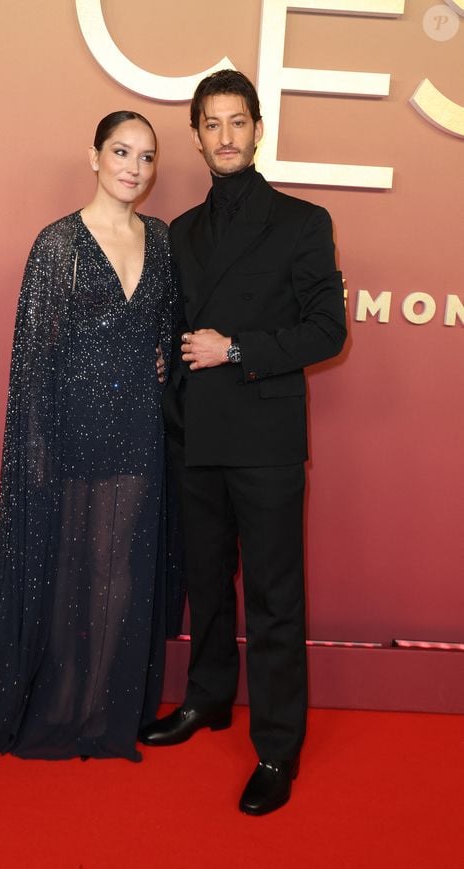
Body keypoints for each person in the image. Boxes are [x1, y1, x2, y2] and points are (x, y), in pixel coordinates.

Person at [0, 110, 181, 762]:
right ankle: (60, 702)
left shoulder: (163, 239)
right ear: (93, 155)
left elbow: (166, 322)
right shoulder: (58, 243)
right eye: (121, 151)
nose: (133, 169)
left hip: (138, 427)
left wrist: (161, 356)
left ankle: (103, 708)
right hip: (70, 427)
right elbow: (33, 359)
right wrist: (35, 455)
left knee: (119, 567)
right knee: (67, 567)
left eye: (146, 158)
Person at [139, 71, 347, 813]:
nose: (225, 136)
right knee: (205, 584)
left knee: (273, 598)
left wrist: (235, 350)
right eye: (211, 124)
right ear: (195, 136)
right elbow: (174, 327)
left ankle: (279, 747)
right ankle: (206, 699)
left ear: (259, 130)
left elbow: (329, 331)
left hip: (265, 438)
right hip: (194, 435)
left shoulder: (301, 220)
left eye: (238, 122)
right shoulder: (182, 233)